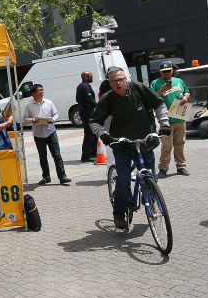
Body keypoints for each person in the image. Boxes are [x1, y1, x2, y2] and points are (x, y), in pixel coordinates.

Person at [90, 67, 169, 230]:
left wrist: (165, 123)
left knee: (151, 177)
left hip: (145, 142)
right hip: (122, 144)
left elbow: (159, 104)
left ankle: (153, 204)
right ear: (109, 83)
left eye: (120, 79)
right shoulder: (108, 98)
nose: (118, 83)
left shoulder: (139, 89)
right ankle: (119, 214)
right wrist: (103, 134)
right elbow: (94, 121)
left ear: (126, 79)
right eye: (114, 81)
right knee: (124, 180)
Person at [23, 84, 71, 185]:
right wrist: (32, 120)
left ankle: (62, 176)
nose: (41, 92)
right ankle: (46, 177)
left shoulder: (49, 102)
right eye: (39, 90)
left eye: (42, 90)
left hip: (50, 132)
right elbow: (25, 120)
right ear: (33, 93)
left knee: (57, 155)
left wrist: (53, 119)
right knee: (42, 156)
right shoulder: (29, 105)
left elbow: (56, 114)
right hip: (38, 134)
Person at [150, 61, 191, 177]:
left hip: (179, 117)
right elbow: (152, 99)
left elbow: (187, 92)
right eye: (164, 72)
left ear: (172, 70)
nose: (166, 74)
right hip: (165, 119)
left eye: (168, 71)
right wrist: (162, 90)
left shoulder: (179, 81)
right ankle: (163, 168)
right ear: (160, 72)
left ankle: (181, 166)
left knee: (180, 143)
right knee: (166, 146)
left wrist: (185, 98)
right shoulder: (155, 83)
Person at [75, 71, 97, 162]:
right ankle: (87, 155)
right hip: (87, 113)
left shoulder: (81, 86)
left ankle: (92, 154)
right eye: (90, 76)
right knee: (90, 134)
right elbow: (91, 100)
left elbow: (77, 99)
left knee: (92, 133)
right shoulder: (85, 86)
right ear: (85, 77)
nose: (92, 77)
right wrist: (99, 107)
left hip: (85, 112)